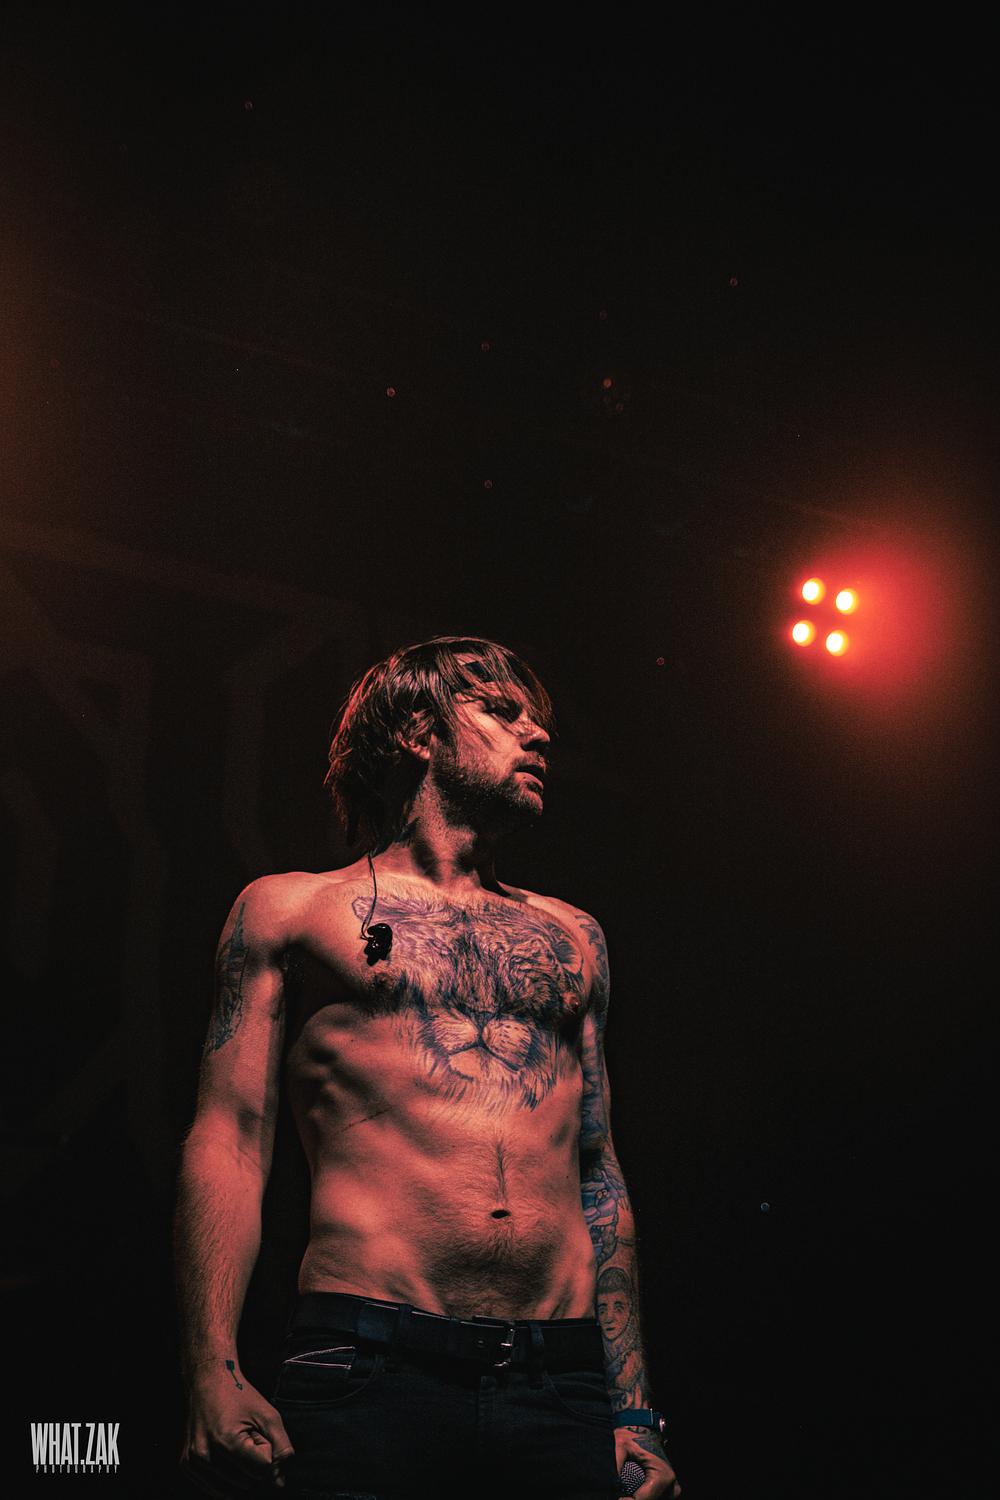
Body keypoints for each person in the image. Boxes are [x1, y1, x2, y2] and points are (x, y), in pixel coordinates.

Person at [175, 635, 680, 1499]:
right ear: (419, 731)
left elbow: (598, 1173)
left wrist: (631, 1410)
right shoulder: (291, 910)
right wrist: (210, 1369)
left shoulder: (573, 936)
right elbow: (230, 1139)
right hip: (367, 1361)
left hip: (558, 1379)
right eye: (503, 711)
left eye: (537, 721)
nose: (538, 735)